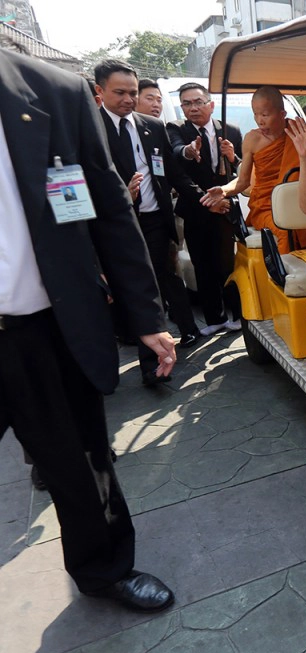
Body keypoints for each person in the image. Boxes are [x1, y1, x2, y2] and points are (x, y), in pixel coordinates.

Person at [0, 45, 176, 611]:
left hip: (47, 325)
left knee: (83, 462)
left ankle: (104, 570)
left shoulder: (53, 92)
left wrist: (145, 317)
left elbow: (107, 209)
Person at [94, 59, 204, 385]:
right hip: (114, 226)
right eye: (120, 93)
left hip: (155, 221)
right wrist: (120, 197)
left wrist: (205, 197)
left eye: (132, 92)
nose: (128, 99)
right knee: (117, 292)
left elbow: (173, 173)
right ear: (100, 91)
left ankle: (152, 365)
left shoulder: (153, 127)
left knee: (151, 288)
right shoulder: (89, 129)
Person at [166, 81, 244, 336]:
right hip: (196, 208)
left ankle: (238, 315)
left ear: (210, 104)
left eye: (198, 102)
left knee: (227, 264)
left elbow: (244, 170)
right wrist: (190, 151)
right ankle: (214, 318)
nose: (193, 108)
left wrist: (232, 157)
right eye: (187, 103)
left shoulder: (230, 130)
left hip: (224, 207)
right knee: (202, 265)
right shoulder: (176, 129)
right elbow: (177, 153)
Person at [201, 86, 306, 253]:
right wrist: (224, 191)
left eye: (265, 115)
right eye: (255, 114)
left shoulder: (299, 134)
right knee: (286, 231)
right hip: (265, 206)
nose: (259, 121)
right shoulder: (252, 139)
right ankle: (281, 270)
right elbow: (243, 182)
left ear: (282, 114)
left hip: (298, 202)